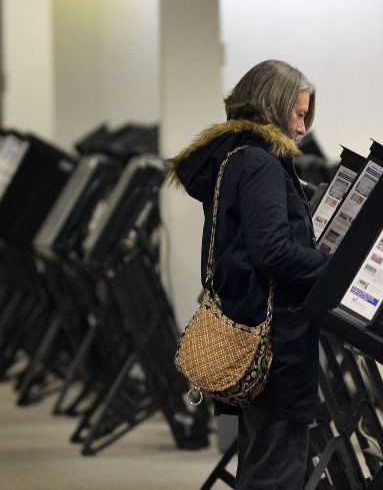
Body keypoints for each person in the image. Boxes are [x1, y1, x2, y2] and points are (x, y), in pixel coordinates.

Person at [166, 60, 330, 489]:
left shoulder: (236, 156)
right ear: (272, 108)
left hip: (256, 331)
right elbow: (273, 252)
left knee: (261, 461)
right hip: (279, 343)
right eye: (298, 114)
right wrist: (332, 269)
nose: (301, 129)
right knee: (276, 470)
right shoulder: (260, 165)